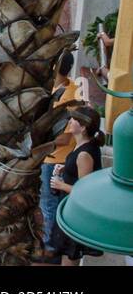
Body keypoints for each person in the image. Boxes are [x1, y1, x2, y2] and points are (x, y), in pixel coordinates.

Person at [36, 51, 81, 263]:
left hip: (56, 160)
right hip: (51, 157)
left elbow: (63, 138)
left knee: (49, 206)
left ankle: (51, 250)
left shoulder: (68, 97)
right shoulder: (65, 87)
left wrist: (39, 141)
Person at [46, 105, 105, 266]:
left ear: (83, 127)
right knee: (67, 255)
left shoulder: (84, 153)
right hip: (70, 209)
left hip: (75, 214)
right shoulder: (82, 147)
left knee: (69, 257)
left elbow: (84, 193)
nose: (70, 121)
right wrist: (66, 168)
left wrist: (61, 185)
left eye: (74, 119)